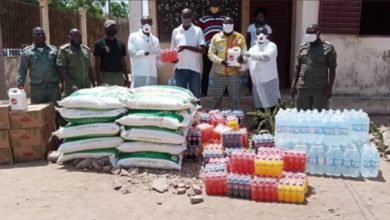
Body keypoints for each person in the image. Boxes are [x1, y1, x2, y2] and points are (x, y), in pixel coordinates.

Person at [290, 24, 337, 111]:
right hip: (303, 88)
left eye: (311, 33)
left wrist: (329, 88)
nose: (308, 35)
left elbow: (332, 70)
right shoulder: (302, 48)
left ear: (318, 33)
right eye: (307, 33)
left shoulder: (328, 48)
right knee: (302, 116)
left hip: (320, 89)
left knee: (321, 116)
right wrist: (293, 85)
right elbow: (297, 68)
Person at [208, 17, 247, 109]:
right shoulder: (216, 37)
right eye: (226, 24)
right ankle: (217, 120)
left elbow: (245, 52)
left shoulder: (240, 37)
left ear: (233, 25)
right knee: (216, 100)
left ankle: (234, 121)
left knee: (235, 100)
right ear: (222, 25)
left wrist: (243, 58)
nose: (228, 26)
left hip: (234, 73)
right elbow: (210, 53)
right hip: (219, 73)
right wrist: (220, 61)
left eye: (230, 24)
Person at [16, 27, 61, 104]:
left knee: (56, 113)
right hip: (37, 90)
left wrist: (63, 85)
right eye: (37, 34)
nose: (40, 36)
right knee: (37, 113)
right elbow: (22, 70)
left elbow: (60, 68)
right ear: (33, 36)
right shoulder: (27, 52)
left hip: (53, 89)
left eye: (42, 34)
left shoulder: (54, 50)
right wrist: (20, 85)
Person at [171, 8, 206, 98]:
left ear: (192, 17)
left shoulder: (198, 30)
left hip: (194, 69)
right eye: (184, 17)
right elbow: (173, 51)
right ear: (181, 17)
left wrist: (185, 47)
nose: (186, 19)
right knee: (181, 97)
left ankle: (196, 112)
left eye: (188, 17)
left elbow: (202, 49)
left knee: (195, 97)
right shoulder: (176, 31)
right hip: (179, 68)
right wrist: (172, 59)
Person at [244, 27, 280, 111]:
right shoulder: (252, 49)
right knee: (259, 106)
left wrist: (249, 55)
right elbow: (246, 64)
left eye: (263, 32)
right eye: (259, 33)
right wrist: (242, 61)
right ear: (255, 35)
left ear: (267, 35)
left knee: (272, 105)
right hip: (257, 82)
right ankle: (260, 123)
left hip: (269, 80)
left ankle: (273, 123)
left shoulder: (271, 46)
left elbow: (266, 57)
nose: (261, 35)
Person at [57, 28, 96, 97]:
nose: (78, 38)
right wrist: (72, 85)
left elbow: (89, 68)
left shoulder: (85, 50)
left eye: (79, 36)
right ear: (69, 37)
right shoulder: (64, 50)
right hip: (72, 87)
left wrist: (94, 83)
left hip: (86, 86)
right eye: (75, 36)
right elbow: (61, 70)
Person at [198, 0, 225, 96]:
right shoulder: (203, 19)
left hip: (221, 49)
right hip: (208, 48)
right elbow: (199, 34)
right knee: (206, 70)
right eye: (212, 6)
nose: (214, 8)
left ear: (219, 8)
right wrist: (203, 46)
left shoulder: (224, 19)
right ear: (209, 8)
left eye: (216, 6)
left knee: (223, 69)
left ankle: (225, 92)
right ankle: (204, 92)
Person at [246, 7, 272, 96]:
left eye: (262, 16)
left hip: (263, 53)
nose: (260, 17)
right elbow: (247, 39)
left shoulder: (267, 28)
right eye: (258, 16)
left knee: (263, 71)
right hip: (252, 52)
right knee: (252, 70)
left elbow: (270, 41)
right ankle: (250, 89)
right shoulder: (251, 27)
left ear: (264, 17)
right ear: (255, 17)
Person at [94, 20, 129, 87]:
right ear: (105, 29)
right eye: (109, 28)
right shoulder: (99, 44)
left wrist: (126, 77)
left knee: (119, 96)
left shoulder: (121, 44)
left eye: (113, 27)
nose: (112, 29)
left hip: (118, 76)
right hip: (105, 76)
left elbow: (123, 62)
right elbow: (97, 64)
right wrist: (98, 79)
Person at [128, 16, 161, 88]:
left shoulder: (155, 40)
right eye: (144, 23)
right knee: (138, 96)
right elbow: (131, 53)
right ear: (141, 24)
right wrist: (145, 53)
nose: (147, 25)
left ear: (152, 24)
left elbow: (158, 59)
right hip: (139, 73)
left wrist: (165, 58)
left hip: (152, 74)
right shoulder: (134, 36)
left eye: (149, 23)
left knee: (151, 96)